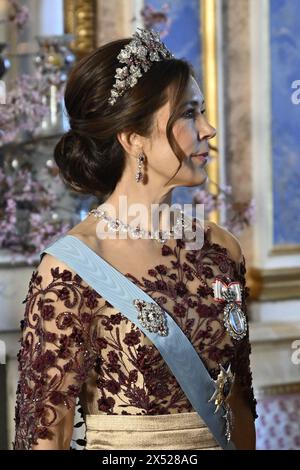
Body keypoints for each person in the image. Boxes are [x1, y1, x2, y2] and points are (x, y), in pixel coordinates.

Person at [14, 29, 257, 450]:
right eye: (188, 114)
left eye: (202, 112)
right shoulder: (73, 266)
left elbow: (239, 405)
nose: (209, 128)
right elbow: (44, 436)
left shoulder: (221, 249)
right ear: (132, 139)